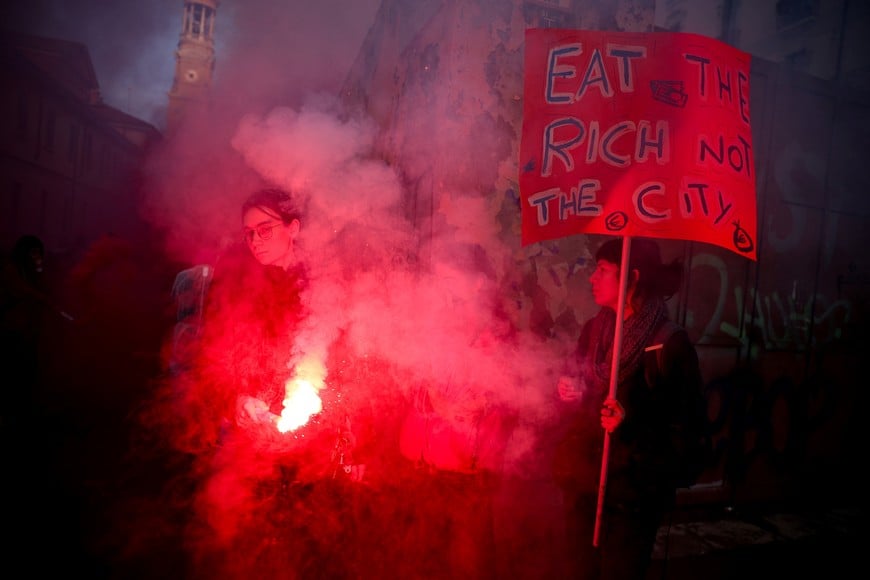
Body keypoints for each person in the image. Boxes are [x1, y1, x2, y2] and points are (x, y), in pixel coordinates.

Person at [159, 187, 373, 577]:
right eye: (248, 233)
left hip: (313, 454)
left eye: (265, 229)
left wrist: (355, 441)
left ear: (294, 228)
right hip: (250, 449)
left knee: (308, 549)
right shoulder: (237, 288)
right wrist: (235, 401)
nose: (255, 240)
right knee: (249, 547)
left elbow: (354, 368)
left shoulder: (327, 287)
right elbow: (213, 361)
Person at [553, 237, 704, 579]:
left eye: (603, 270)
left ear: (632, 278)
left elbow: (687, 432)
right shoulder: (594, 330)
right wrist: (568, 392)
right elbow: (575, 388)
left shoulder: (668, 343)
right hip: (585, 486)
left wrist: (630, 421)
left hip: (633, 499)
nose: (593, 277)